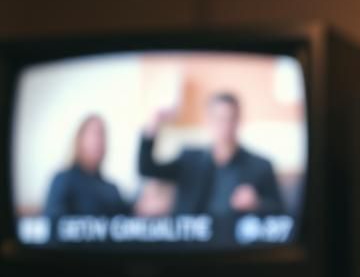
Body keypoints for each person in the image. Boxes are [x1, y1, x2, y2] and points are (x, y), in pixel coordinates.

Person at [137, 92, 284, 216]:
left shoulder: (260, 166)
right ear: (209, 120)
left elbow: (279, 209)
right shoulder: (189, 159)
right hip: (192, 244)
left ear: (239, 120)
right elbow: (146, 168)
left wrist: (256, 204)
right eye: (219, 118)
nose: (225, 126)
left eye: (231, 118)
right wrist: (154, 123)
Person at [44, 115, 128, 217]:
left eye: (102, 135)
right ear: (80, 139)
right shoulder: (63, 180)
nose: (98, 141)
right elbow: (54, 224)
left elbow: (127, 223)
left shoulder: (112, 189)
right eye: (94, 134)